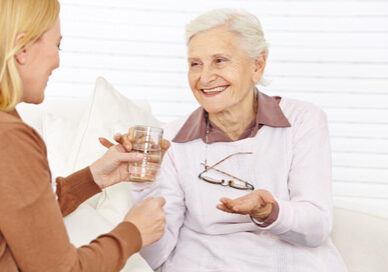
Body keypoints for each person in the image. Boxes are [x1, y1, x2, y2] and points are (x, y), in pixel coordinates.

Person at [111, 8, 348, 272]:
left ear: (257, 66)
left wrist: (267, 211)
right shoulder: (171, 141)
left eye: (220, 61)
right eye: (195, 64)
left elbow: (316, 226)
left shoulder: (302, 120)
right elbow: (156, 254)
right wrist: (145, 181)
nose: (205, 77)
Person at [0, 0, 166, 271]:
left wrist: (93, 178)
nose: (58, 60)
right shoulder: (11, 138)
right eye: (57, 45)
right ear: (23, 48)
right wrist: (133, 231)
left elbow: (24, 219)